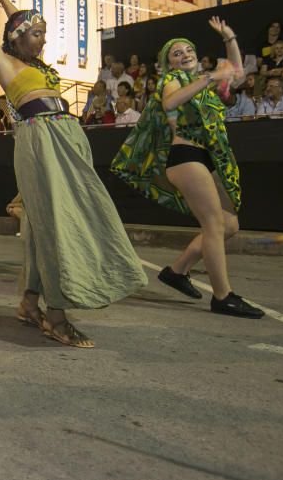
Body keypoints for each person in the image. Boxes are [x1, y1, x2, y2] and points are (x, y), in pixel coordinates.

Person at [0, 0, 146, 348]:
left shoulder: (38, 68)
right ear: (17, 39)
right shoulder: (4, 64)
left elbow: (20, 23)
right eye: (37, 34)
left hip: (66, 137)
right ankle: (57, 316)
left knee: (42, 225)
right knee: (56, 224)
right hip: (41, 139)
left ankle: (30, 304)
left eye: (44, 34)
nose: (43, 39)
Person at [112, 17, 263, 318]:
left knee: (229, 225)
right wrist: (207, 78)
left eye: (187, 50)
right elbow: (170, 105)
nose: (183, 55)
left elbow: (235, 72)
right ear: (169, 64)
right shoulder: (175, 81)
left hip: (204, 157)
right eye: (175, 53)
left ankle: (177, 271)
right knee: (213, 225)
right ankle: (223, 296)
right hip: (185, 156)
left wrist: (229, 36)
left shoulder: (206, 87)